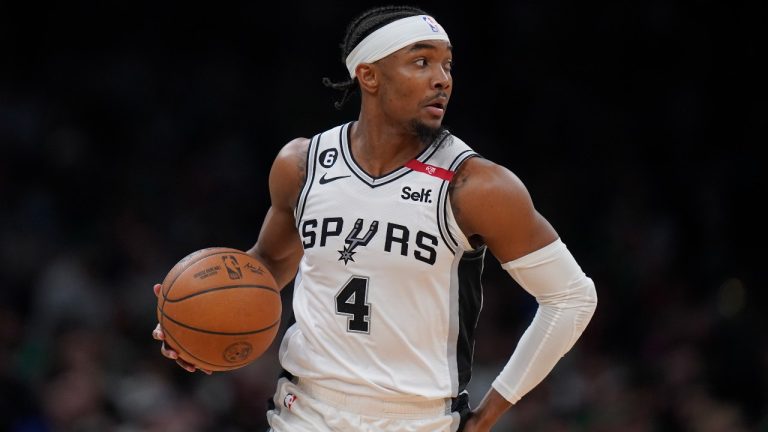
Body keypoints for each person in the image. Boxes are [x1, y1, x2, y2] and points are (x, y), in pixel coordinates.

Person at [152, 5, 597, 431]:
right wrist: (200, 322)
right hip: (306, 410)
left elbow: (572, 298)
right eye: (421, 62)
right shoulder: (303, 164)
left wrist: (489, 412)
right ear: (368, 75)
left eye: (447, 66)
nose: (441, 79)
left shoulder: (477, 186)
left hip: (419, 418)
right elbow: (268, 264)